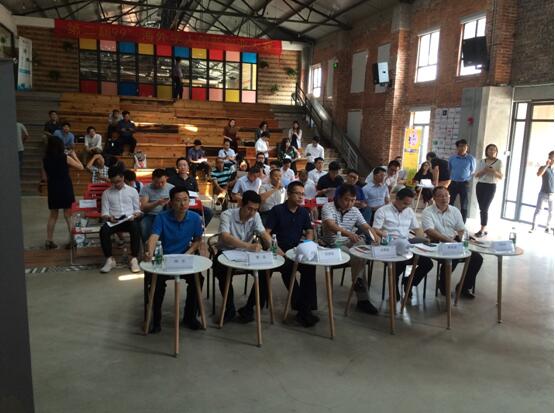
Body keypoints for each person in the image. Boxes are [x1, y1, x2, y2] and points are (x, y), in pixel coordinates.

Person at [144, 187, 205, 333]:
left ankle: (190, 317)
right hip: (164, 258)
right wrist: (149, 251)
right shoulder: (161, 217)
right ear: (171, 203)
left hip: (184, 257)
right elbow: (154, 237)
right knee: (156, 283)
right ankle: (155, 320)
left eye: (185, 200)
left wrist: (189, 252)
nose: (182, 204)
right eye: (178, 200)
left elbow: (198, 240)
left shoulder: (195, 218)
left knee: (198, 279)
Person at [266, 181, 320, 326]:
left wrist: (307, 244)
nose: (301, 197)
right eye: (297, 193)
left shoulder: (303, 212)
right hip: (279, 251)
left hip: (296, 250)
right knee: (288, 269)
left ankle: (307, 307)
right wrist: (275, 248)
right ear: (289, 194)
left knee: (310, 267)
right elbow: (266, 233)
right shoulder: (277, 210)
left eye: (303, 194)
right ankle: (303, 309)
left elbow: (309, 231)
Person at [321, 184, 380, 314]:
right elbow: (331, 225)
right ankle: (362, 296)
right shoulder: (328, 207)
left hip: (350, 242)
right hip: (333, 245)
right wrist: (349, 234)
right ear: (338, 197)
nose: (350, 203)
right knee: (357, 256)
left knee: (362, 247)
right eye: (346, 199)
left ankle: (358, 282)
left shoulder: (355, 210)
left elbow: (365, 226)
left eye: (353, 200)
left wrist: (374, 236)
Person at [213, 191, 272, 323]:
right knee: (221, 270)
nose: (252, 213)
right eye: (249, 209)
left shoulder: (255, 216)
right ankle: (229, 308)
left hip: (246, 254)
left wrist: (273, 247)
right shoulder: (227, 214)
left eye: (255, 209)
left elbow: (263, 233)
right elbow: (225, 237)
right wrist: (248, 246)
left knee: (265, 272)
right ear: (241, 205)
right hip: (226, 251)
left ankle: (249, 308)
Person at [422, 186, 483, 298]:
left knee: (477, 258)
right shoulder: (428, 212)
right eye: (440, 196)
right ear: (434, 198)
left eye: (446, 195)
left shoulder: (454, 210)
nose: (444, 198)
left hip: (454, 241)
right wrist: (450, 241)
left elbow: (461, 229)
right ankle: (443, 284)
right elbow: (429, 231)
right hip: (436, 242)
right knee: (453, 256)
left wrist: (465, 240)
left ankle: (464, 287)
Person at [372, 187, 433, 300]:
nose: (406, 206)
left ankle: (408, 282)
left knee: (427, 263)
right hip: (389, 244)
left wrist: (423, 240)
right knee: (400, 260)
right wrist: (383, 234)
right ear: (397, 198)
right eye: (404, 203)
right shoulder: (383, 210)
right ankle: (394, 287)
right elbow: (375, 229)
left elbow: (417, 229)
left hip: (406, 244)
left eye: (408, 204)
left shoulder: (409, 211)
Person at [41, 137, 84, 250]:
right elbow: (81, 167)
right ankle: (72, 241)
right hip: (65, 187)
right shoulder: (65, 157)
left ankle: (49, 241)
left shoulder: (45, 159)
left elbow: (44, 177)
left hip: (53, 188)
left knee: (53, 215)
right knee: (68, 215)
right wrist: (74, 155)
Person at [99, 166, 142, 273]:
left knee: (135, 227)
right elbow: (104, 213)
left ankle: (134, 259)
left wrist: (135, 215)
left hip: (129, 220)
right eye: (113, 182)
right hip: (114, 221)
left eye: (118, 181)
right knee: (104, 230)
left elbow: (137, 210)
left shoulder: (132, 191)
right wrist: (109, 217)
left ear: (123, 177)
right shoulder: (106, 193)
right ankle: (110, 259)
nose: (116, 184)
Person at [168, 157, 214, 226]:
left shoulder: (192, 179)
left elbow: (197, 193)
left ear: (188, 167)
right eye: (180, 165)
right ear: (177, 167)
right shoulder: (171, 180)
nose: (182, 167)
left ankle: (199, 228)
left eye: (184, 165)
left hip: (192, 203)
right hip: (178, 205)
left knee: (209, 212)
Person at [474, 144, 504, 237]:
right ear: (486, 151)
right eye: (490, 149)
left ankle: (482, 229)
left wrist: (493, 171)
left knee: (484, 208)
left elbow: (501, 176)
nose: (492, 151)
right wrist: (484, 170)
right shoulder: (481, 161)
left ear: (496, 152)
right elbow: (476, 175)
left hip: (491, 186)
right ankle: (484, 228)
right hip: (480, 185)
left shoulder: (499, 162)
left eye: (494, 150)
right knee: (481, 208)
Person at [140, 169, 174, 242]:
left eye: (162, 182)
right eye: (157, 182)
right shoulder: (146, 188)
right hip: (151, 215)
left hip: (167, 214)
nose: (160, 185)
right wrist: (157, 203)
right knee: (143, 225)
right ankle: (148, 246)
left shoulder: (171, 188)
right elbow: (143, 208)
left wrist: (169, 204)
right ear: (152, 180)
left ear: (166, 178)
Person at [448, 139, 476, 222]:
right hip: (453, 183)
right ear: (457, 147)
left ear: (467, 147)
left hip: (464, 183)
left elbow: (473, 171)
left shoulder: (471, 158)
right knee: (449, 202)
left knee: (464, 203)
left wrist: (465, 177)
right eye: (460, 146)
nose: (463, 148)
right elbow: (449, 169)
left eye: (465, 146)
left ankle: (463, 223)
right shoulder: (452, 158)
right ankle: (448, 220)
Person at [531, 150, 554, 233]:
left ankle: (548, 228)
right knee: (538, 211)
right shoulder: (543, 167)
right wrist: (547, 165)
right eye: (551, 156)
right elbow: (539, 174)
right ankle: (534, 227)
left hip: (553, 194)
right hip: (543, 193)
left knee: (552, 213)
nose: (552, 158)